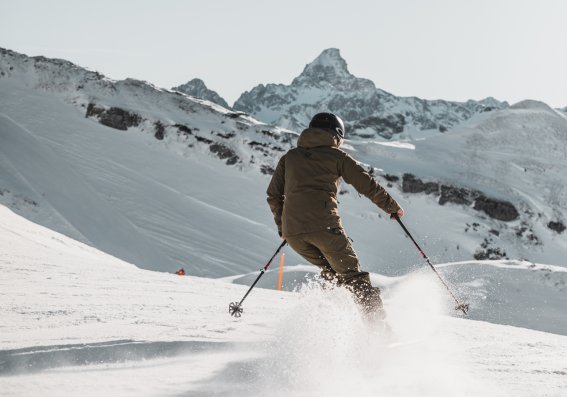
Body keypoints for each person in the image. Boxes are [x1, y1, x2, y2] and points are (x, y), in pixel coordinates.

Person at [267, 112, 404, 318]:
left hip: (293, 233)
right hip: (324, 228)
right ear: (338, 134)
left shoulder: (289, 158)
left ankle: (328, 323)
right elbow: (366, 184)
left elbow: (273, 195)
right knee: (353, 276)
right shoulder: (337, 157)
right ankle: (379, 329)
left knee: (333, 274)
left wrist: (282, 227)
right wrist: (392, 207)